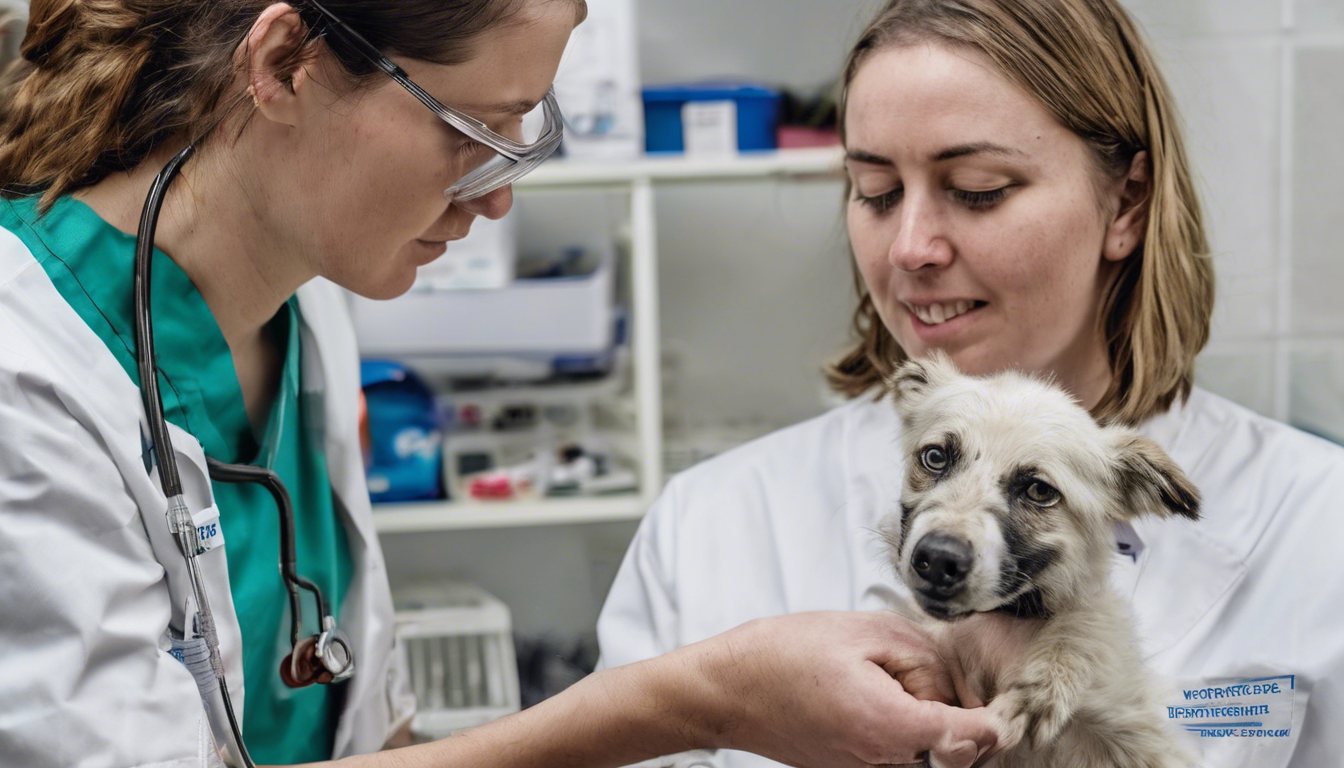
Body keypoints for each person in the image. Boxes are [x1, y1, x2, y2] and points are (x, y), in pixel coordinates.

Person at [0, 1, 1000, 766]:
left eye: (524, 129)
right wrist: (696, 699)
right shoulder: (25, 374)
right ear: (284, 64)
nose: (499, 189)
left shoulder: (305, 311)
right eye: (470, 127)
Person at [596, 1, 1344, 767]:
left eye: (979, 188)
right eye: (876, 191)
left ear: (1127, 202)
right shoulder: (710, 526)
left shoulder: (1320, 523)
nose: (910, 247)